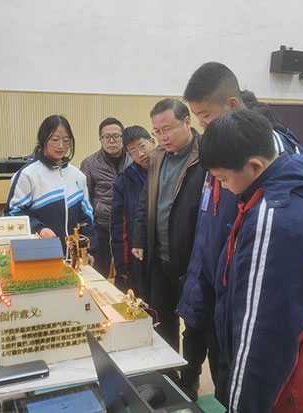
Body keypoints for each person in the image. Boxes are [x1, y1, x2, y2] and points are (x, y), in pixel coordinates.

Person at [200, 109, 303, 412]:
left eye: (223, 178)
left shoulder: (275, 217)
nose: (225, 187)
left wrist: (242, 405)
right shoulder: (298, 182)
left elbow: (262, 333)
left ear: (254, 165)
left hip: (293, 392)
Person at [175, 62, 303, 400]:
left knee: (238, 381)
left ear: (232, 105)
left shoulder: (271, 150)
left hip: (243, 292)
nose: (201, 124)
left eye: (205, 115)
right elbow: (209, 223)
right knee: (221, 375)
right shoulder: (220, 144)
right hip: (215, 285)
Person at [131, 98, 205, 400]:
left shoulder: (205, 156)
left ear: (187, 122)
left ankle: (190, 378)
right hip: (158, 255)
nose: (162, 137)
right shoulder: (158, 157)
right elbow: (145, 202)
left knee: (195, 326)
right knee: (162, 320)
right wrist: (138, 239)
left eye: (168, 129)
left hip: (192, 260)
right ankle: (168, 376)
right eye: (157, 132)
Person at [4, 115, 97, 257]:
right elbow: (12, 213)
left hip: (74, 256)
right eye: (55, 140)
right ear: (43, 140)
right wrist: (39, 229)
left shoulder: (78, 176)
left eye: (66, 140)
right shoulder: (27, 175)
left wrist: (89, 250)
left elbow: (87, 216)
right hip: (40, 254)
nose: (61, 145)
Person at [81, 118, 132, 277]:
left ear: (123, 138)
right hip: (101, 229)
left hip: (128, 229)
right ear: (100, 139)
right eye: (107, 137)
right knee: (98, 274)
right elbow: (85, 199)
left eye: (116, 136)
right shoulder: (89, 164)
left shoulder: (133, 160)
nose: (112, 140)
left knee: (127, 275)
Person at [110, 125, 155, 297]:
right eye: (133, 152)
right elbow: (118, 226)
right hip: (138, 254)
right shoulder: (125, 181)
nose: (140, 154)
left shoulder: (168, 170)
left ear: (152, 141)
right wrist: (121, 264)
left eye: (142, 146)